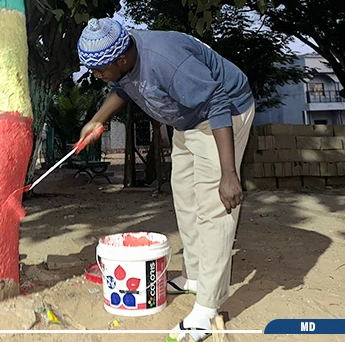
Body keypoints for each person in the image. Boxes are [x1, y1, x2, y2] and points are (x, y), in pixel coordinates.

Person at [75, 18, 254, 341]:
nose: (96, 76)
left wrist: (229, 173)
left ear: (122, 59)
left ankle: (206, 308)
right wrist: (96, 120)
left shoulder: (166, 62)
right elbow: (122, 88)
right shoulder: (124, 61)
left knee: (215, 206)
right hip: (187, 120)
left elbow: (217, 101)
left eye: (99, 69)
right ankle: (196, 277)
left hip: (222, 116)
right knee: (184, 193)